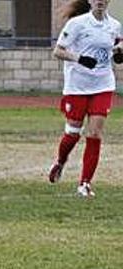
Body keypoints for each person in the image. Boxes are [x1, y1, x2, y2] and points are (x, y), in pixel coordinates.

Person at [48, 0, 123, 197]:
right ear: (90, 1)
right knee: (73, 132)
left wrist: (119, 52)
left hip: (103, 85)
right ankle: (61, 161)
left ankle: (85, 184)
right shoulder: (77, 24)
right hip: (77, 86)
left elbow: (116, 50)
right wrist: (80, 59)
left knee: (95, 134)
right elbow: (58, 51)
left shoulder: (114, 25)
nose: (99, 1)